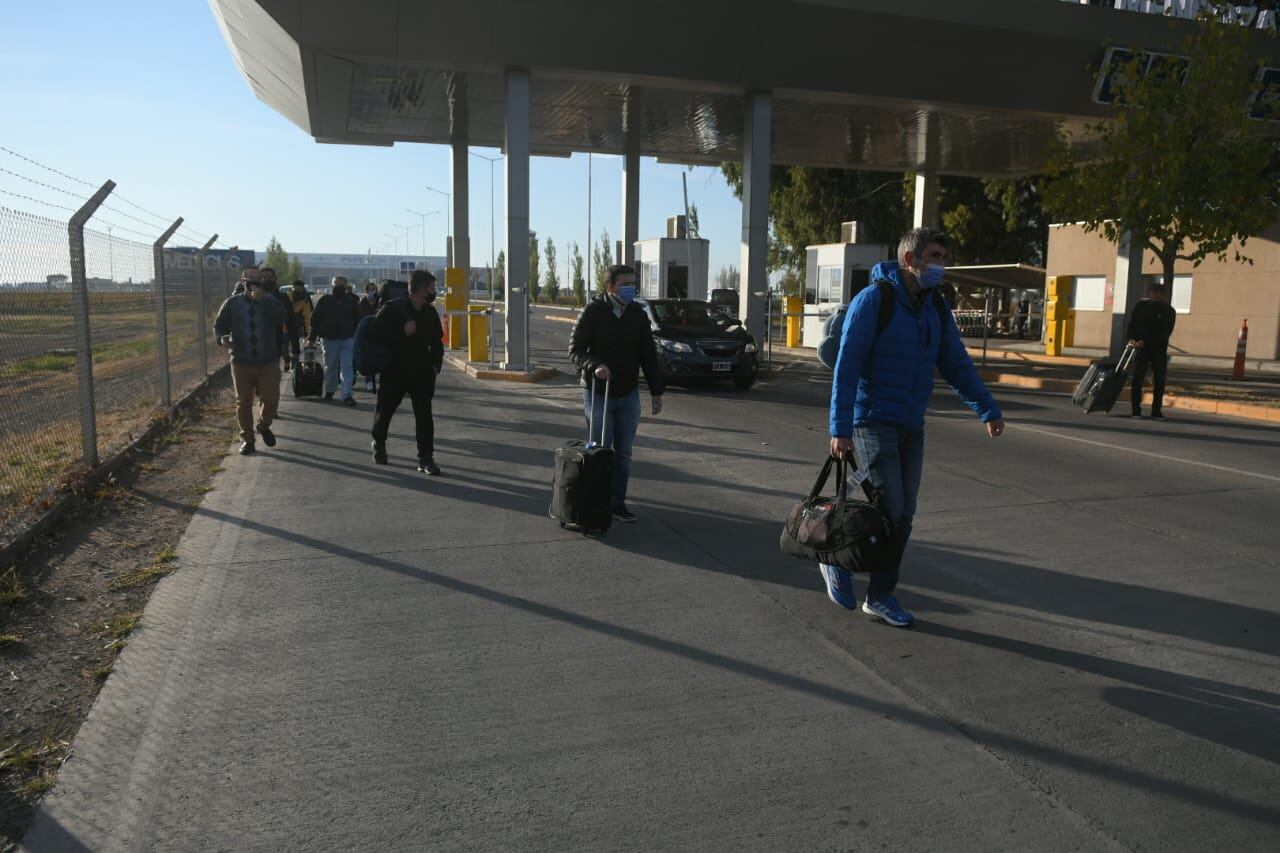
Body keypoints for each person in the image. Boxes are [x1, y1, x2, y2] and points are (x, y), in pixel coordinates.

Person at [826, 228, 1004, 627]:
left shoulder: (934, 308)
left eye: (943, 256)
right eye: (936, 256)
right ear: (911, 259)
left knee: (903, 516)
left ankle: (880, 596)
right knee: (891, 508)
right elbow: (847, 366)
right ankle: (836, 558)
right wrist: (839, 428)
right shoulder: (874, 300)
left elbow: (955, 363)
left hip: (911, 424)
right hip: (871, 421)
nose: (941, 265)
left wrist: (987, 409)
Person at [567, 264, 665, 523]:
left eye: (633, 283)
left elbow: (648, 355)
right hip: (599, 393)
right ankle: (595, 502)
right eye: (625, 284)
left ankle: (616, 503)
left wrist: (657, 391)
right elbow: (575, 350)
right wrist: (595, 364)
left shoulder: (638, 314)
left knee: (624, 453)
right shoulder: (593, 311)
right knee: (600, 450)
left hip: (628, 394)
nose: (631, 288)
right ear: (610, 286)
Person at [370, 270, 444, 474]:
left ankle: (425, 458)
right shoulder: (392, 309)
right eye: (431, 287)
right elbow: (374, 334)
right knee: (384, 412)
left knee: (424, 417)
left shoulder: (429, 312)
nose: (434, 292)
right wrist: (401, 331)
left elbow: (437, 340)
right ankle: (379, 443)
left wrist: (435, 366)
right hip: (394, 371)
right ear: (420, 288)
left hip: (422, 373)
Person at [213, 266, 289, 455]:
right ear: (243, 280)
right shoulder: (232, 303)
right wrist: (221, 338)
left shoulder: (270, 301)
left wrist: (263, 299)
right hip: (241, 362)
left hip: (268, 361)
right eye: (250, 278)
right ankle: (248, 439)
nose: (253, 282)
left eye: (257, 279)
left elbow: (282, 318)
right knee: (244, 402)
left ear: (262, 282)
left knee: (271, 399)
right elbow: (219, 325)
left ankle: (264, 425)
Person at [1127, 282, 1177, 420]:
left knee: (1159, 380)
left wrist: (1146, 342)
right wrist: (1131, 339)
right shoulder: (1141, 306)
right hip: (1141, 350)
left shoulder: (1168, 311)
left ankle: (1156, 410)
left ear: (1162, 295)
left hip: (1158, 350)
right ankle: (1135, 410)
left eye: (1158, 293)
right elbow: (1132, 324)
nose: (1155, 295)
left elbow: (1164, 332)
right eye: (1153, 292)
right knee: (1137, 379)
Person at [309, 275, 361, 405]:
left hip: (346, 338)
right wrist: (311, 337)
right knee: (332, 366)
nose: (339, 287)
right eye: (337, 284)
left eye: (341, 284)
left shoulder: (350, 301)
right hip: (331, 338)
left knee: (345, 367)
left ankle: (345, 394)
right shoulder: (325, 300)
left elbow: (357, 319)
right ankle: (332, 391)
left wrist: (355, 334)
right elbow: (315, 320)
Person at [287, 280, 314, 362]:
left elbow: (310, 313)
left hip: (304, 322)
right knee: (294, 344)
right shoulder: (288, 296)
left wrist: (309, 329)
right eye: (296, 288)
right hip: (291, 323)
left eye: (300, 288)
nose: (298, 290)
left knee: (307, 344)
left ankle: (307, 362)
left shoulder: (306, 297)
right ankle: (295, 362)